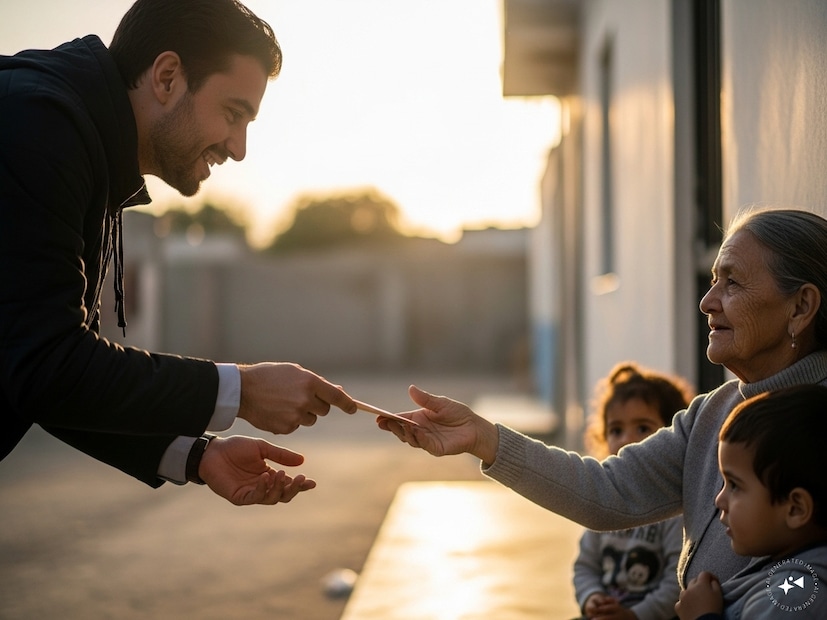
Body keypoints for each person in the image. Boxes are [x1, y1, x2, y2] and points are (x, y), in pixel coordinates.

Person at [0, 0, 357, 506]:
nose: (239, 148)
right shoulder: (37, 124)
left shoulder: (70, 132)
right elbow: (46, 366)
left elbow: (32, 370)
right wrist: (241, 389)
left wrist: (196, 455)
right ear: (167, 76)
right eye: (234, 114)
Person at [378, 207, 827, 589]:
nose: (707, 301)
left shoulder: (818, 429)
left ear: (801, 307)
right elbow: (607, 492)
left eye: (732, 283)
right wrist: (482, 437)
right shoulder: (712, 413)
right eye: (713, 281)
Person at [675, 385, 827, 619]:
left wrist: (702, 616)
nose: (719, 499)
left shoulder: (795, 595)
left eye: (735, 485)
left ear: (796, 509)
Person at [574, 362, 692, 620]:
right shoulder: (601, 503)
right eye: (616, 430)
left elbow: (678, 579)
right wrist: (591, 598)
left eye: (642, 428)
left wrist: (634, 615)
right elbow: (585, 566)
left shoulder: (675, 509)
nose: (626, 439)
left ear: (673, 441)